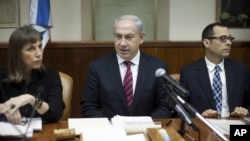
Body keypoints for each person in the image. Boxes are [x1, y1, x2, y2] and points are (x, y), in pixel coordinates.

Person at [81, 15, 171, 118]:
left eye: (129, 37)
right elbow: (89, 106)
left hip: (146, 130)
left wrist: (145, 125)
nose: (122, 43)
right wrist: (109, 127)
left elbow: (164, 107)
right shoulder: (98, 66)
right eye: (118, 37)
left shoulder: (157, 67)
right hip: (110, 131)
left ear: (141, 38)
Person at [180, 23, 250, 118]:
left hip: (234, 126)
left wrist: (245, 111)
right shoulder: (189, 72)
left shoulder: (240, 69)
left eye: (230, 38)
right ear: (207, 43)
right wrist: (201, 116)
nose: (229, 43)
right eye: (223, 38)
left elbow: (248, 103)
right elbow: (181, 108)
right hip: (204, 127)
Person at [0, 25, 65, 124]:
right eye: (31, 49)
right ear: (17, 53)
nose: (39, 53)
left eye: (40, 46)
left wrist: (32, 100)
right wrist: (5, 108)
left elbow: (55, 113)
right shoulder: (2, 75)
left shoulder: (51, 76)